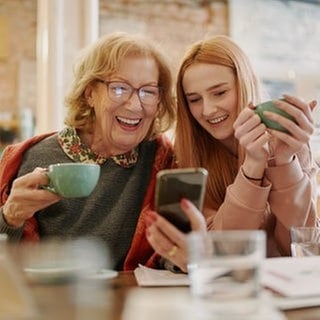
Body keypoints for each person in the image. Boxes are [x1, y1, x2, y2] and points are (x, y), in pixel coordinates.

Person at [0, 32, 176, 271]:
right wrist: (10, 216)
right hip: (54, 302)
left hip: (134, 302)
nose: (135, 105)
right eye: (119, 88)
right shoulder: (33, 158)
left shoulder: (162, 159)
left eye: (148, 91)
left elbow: (172, 255)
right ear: (90, 93)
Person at [146, 35, 319, 273]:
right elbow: (222, 250)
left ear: (244, 84)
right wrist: (252, 166)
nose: (207, 110)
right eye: (194, 99)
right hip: (226, 286)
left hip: (286, 287)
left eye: (219, 93)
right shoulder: (190, 157)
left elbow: (297, 244)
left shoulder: (290, 142)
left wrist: (284, 162)